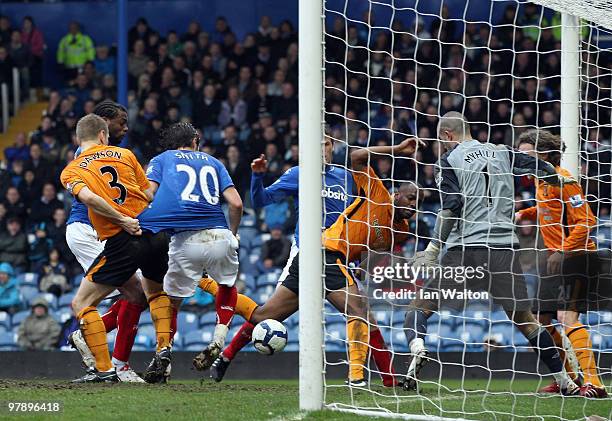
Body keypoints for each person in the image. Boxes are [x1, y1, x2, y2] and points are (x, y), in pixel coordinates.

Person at [207, 138, 419, 386]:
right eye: (317, 144)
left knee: (357, 313)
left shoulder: (346, 178)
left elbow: (363, 226)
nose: (323, 149)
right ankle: (362, 378)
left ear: (332, 147)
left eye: (327, 144)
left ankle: (387, 379)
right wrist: (257, 177)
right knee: (276, 317)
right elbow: (261, 200)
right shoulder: (300, 174)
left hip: (338, 255)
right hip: (308, 248)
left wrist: (361, 263)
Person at [403, 112, 580, 395]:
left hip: (466, 250)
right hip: (504, 250)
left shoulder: (448, 160)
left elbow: (451, 206)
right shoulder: (502, 152)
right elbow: (537, 165)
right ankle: (565, 380)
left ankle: (418, 348)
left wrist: (434, 247)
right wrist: (556, 179)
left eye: (441, 140)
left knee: (419, 307)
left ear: (447, 135)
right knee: (525, 320)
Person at [60, 114, 171, 383]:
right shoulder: (125, 154)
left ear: (79, 139)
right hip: (155, 234)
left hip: (125, 237)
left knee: (81, 302)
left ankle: (104, 369)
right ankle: (162, 349)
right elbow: (148, 195)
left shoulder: (71, 170)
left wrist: (121, 219)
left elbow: (88, 198)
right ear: (102, 135)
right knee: (152, 294)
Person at [138, 122, 243, 373]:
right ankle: (218, 338)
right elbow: (236, 204)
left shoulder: (162, 159)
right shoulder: (215, 162)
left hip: (185, 241)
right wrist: (234, 235)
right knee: (227, 286)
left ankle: (164, 354)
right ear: (195, 141)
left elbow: (147, 194)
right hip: (219, 234)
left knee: (172, 302)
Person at [517, 129, 607, 398]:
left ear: (542, 154)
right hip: (554, 258)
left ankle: (595, 382)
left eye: (525, 155)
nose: (520, 160)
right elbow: (551, 208)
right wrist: (525, 212)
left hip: (577, 256)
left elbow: (588, 221)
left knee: (566, 317)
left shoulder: (564, 180)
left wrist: (563, 251)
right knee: (540, 320)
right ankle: (568, 378)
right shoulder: (539, 181)